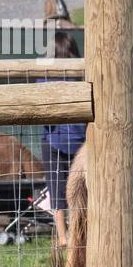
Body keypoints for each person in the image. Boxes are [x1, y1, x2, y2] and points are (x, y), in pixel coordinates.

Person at [40, 32, 86, 246]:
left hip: (64, 142)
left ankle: (65, 236)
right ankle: (66, 236)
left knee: (59, 190)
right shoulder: (82, 77)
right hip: (71, 143)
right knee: (71, 191)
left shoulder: (47, 80)